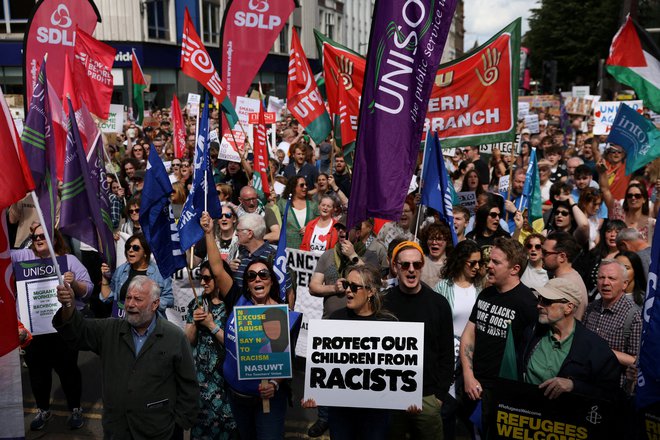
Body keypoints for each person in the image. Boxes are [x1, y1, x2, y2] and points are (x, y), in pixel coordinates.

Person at [53, 276, 199, 439]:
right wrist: (68, 305)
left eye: (138, 299)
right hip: (117, 431)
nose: (130, 304)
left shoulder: (175, 337)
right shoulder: (109, 330)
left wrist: (178, 425)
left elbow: (189, 386)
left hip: (159, 433)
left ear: (155, 304)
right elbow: (77, 332)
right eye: (128, 298)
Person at [201, 212, 291, 440]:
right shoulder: (237, 299)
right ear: (247, 282)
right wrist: (209, 233)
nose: (257, 279)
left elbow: (282, 359)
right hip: (237, 396)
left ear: (271, 280)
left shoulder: (280, 313)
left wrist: (274, 384)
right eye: (251, 276)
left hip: (267, 399)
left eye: (263, 274)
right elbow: (217, 268)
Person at [12, 224, 93, 431]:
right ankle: (43, 410)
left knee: (68, 371)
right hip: (33, 331)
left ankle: (75, 409)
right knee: (38, 374)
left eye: (42, 236)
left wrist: (73, 283)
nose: (37, 239)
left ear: (54, 239)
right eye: (34, 236)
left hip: (62, 330)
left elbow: (88, 290)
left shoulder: (69, 261)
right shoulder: (23, 257)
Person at [302, 264, 395, 440]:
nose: (348, 291)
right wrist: (313, 392)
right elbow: (323, 364)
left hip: (375, 414)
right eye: (346, 285)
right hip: (341, 413)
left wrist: (408, 398)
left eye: (354, 287)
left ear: (371, 291)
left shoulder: (388, 323)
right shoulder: (336, 319)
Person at [459, 238, 537, 437]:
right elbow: (468, 335)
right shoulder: (486, 294)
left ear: (514, 269)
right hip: (473, 386)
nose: (489, 266)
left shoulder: (528, 303)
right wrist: (469, 376)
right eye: (490, 261)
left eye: (496, 262)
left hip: (504, 394)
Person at [383, 241, 454, 440]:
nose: (411, 270)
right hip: (390, 396)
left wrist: (438, 395)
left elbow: (446, 354)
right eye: (405, 265)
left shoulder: (439, 304)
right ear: (395, 267)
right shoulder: (383, 303)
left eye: (417, 264)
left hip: (427, 397)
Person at [518, 278, 620, 401]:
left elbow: (611, 395)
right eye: (539, 299)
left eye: (547, 301)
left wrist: (574, 386)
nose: (539, 305)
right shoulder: (532, 332)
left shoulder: (596, 349)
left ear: (568, 307)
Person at [433, 240, 483, 440]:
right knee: (445, 410)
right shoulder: (443, 287)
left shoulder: (481, 289)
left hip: (472, 359)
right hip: (446, 357)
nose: (477, 267)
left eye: (479, 263)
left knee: (467, 412)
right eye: (472, 263)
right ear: (461, 261)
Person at [184, 261, 236, 439]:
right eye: (201, 278)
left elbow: (235, 345)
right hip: (202, 381)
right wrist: (196, 325)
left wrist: (211, 325)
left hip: (225, 380)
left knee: (227, 429)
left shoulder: (232, 306)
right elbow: (189, 340)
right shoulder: (196, 304)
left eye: (207, 278)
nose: (203, 283)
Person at [584, 260, 642, 394]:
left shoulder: (634, 316)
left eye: (612, 278)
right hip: (587, 383)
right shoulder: (591, 308)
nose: (605, 283)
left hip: (614, 389)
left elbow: (635, 361)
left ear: (624, 284)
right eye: (601, 277)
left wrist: (602, 351)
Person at [100, 234, 173, 317]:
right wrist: (104, 278)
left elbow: (169, 299)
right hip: (122, 323)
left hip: (148, 324)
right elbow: (107, 298)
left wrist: (148, 304)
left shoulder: (160, 273)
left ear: (145, 252)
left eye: (135, 248)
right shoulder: (121, 270)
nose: (130, 250)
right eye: (128, 247)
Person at [540, 232, 588, 320]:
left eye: (545, 253)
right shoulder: (570, 277)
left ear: (562, 257)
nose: (541, 256)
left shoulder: (567, 284)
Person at [271, 176, 319, 250]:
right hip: (287, 248)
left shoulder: (313, 204)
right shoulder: (282, 203)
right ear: (293, 187)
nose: (305, 187)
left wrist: (310, 228)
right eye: (302, 185)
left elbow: (320, 222)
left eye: (306, 184)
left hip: (308, 249)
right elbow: (275, 222)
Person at [419, 222, 453, 287]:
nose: (434, 242)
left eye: (439, 239)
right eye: (431, 239)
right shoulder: (419, 261)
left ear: (447, 242)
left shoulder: (452, 264)